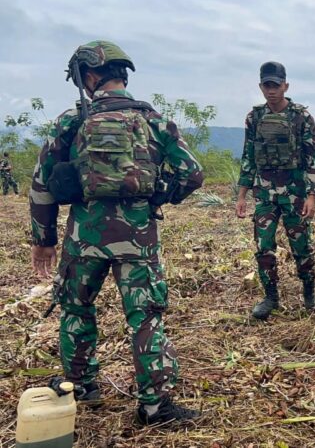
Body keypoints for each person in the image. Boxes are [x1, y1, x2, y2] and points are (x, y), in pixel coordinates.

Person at [29, 40, 204, 425]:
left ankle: (82, 386)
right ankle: (155, 406)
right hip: (138, 237)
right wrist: (159, 195)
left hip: (84, 237)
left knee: (76, 308)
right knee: (145, 317)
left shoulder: (71, 122)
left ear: (90, 77)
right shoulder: (152, 120)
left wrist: (44, 240)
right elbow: (193, 173)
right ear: (122, 76)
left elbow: (42, 183)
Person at [236, 61, 315, 320]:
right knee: (263, 247)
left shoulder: (301, 117)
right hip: (264, 194)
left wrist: (312, 195)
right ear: (261, 87)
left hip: (295, 192)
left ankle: (309, 291)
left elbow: (313, 159)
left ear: (286, 85)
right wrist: (241, 195)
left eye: (276, 85)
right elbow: (248, 156)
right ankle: (271, 296)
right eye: (267, 85)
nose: (271, 90)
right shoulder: (255, 118)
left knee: (302, 246)